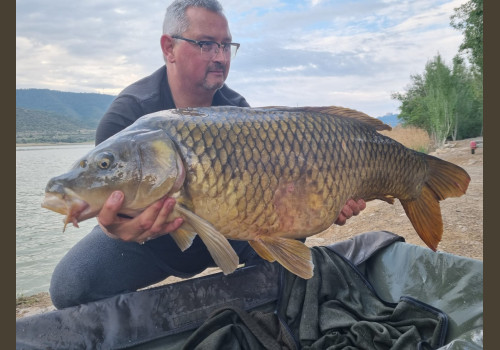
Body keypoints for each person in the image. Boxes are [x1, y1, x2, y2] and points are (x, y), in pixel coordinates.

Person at [49, 0, 365, 309]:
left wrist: (326, 201)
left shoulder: (238, 111)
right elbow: (108, 205)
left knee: (291, 240)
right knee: (69, 285)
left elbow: (278, 196)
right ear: (168, 48)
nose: (219, 57)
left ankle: (251, 313)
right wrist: (112, 227)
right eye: (205, 44)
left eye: (226, 46)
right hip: (151, 244)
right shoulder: (127, 116)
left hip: (233, 230)